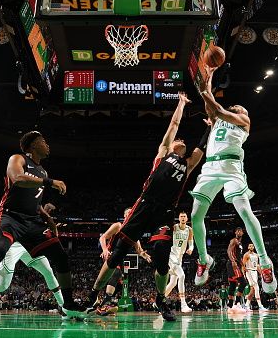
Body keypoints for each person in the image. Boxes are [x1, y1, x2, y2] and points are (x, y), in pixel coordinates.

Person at [86, 92, 209, 321]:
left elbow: (201, 148)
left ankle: (161, 299)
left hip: (165, 212)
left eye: (183, 139)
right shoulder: (163, 153)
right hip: (143, 206)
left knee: (162, 259)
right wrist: (181, 103)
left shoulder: (188, 164)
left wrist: (209, 127)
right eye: (177, 139)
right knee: (116, 256)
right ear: (172, 145)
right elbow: (173, 124)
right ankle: (93, 295)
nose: (180, 139)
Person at [0, 131, 85, 322]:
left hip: (32, 222)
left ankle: (68, 305)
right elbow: (18, 179)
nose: (47, 144)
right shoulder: (18, 159)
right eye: (43, 141)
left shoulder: (43, 171)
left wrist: (49, 220)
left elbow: (35, 203)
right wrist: (50, 182)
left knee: (60, 256)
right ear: (33, 145)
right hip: (11, 216)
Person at [190, 66, 277, 294]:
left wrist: (206, 92)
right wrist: (206, 79)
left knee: (245, 212)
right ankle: (203, 259)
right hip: (210, 166)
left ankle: (265, 262)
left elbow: (216, 107)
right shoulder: (217, 118)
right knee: (195, 215)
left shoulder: (242, 121)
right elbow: (211, 107)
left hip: (231, 167)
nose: (238, 107)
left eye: (241, 108)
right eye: (236, 106)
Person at [0, 203, 70, 318]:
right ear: (43, 208)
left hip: (29, 247)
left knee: (48, 271)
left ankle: (63, 306)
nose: (48, 213)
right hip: (14, 246)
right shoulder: (29, 208)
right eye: (47, 210)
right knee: (2, 285)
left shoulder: (45, 221)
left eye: (50, 212)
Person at [95, 207, 152, 316]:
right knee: (115, 273)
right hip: (110, 254)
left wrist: (143, 254)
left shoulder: (135, 233)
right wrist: (105, 249)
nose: (130, 215)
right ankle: (105, 304)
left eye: (132, 213)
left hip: (120, 258)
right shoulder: (118, 226)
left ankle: (101, 304)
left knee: (120, 285)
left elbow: (139, 250)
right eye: (128, 213)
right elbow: (103, 238)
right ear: (125, 216)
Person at [164, 211, 194, 313]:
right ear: (178, 218)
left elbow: (191, 243)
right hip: (172, 255)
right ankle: (183, 304)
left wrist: (190, 249)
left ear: (187, 218)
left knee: (172, 283)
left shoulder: (189, 229)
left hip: (180, 257)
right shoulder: (174, 227)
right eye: (181, 216)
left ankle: (159, 301)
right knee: (182, 276)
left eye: (184, 216)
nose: (182, 218)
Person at [225, 227, 248, 312]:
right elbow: (229, 251)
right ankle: (237, 303)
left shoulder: (240, 243)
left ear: (242, 233)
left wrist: (243, 265)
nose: (239, 232)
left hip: (235, 263)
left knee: (233, 285)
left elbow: (239, 257)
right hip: (232, 264)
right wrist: (233, 261)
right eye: (237, 231)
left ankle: (230, 306)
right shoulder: (233, 240)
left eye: (240, 231)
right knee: (243, 282)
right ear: (235, 232)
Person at [242, 243, 266, 311]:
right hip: (249, 271)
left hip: (255, 272)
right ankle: (260, 306)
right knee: (256, 287)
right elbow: (243, 265)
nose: (251, 247)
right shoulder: (246, 254)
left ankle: (246, 305)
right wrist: (244, 274)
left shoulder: (256, 255)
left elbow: (257, 265)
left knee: (253, 290)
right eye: (250, 246)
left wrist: (261, 273)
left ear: (254, 247)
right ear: (248, 247)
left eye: (252, 246)